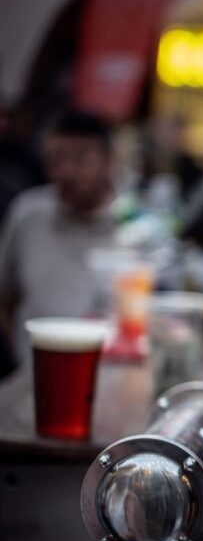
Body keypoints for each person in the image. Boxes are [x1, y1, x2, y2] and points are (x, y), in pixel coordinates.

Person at [0, 110, 116, 362]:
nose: (66, 172)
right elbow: (5, 296)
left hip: (109, 369)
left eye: (80, 159)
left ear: (108, 161)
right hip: (34, 369)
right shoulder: (28, 213)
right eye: (55, 160)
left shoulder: (133, 226)